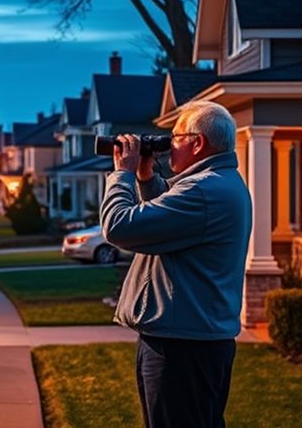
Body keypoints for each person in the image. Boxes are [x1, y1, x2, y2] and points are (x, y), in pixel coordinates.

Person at [99, 100, 252, 428]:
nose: (167, 148)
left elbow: (119, 226)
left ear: (198, 143)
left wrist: (121, 175)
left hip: (183, 350)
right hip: (190, 341)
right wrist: (145, 175)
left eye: (175, 138)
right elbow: (167, 217)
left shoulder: (203, 190)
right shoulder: (217, 183)